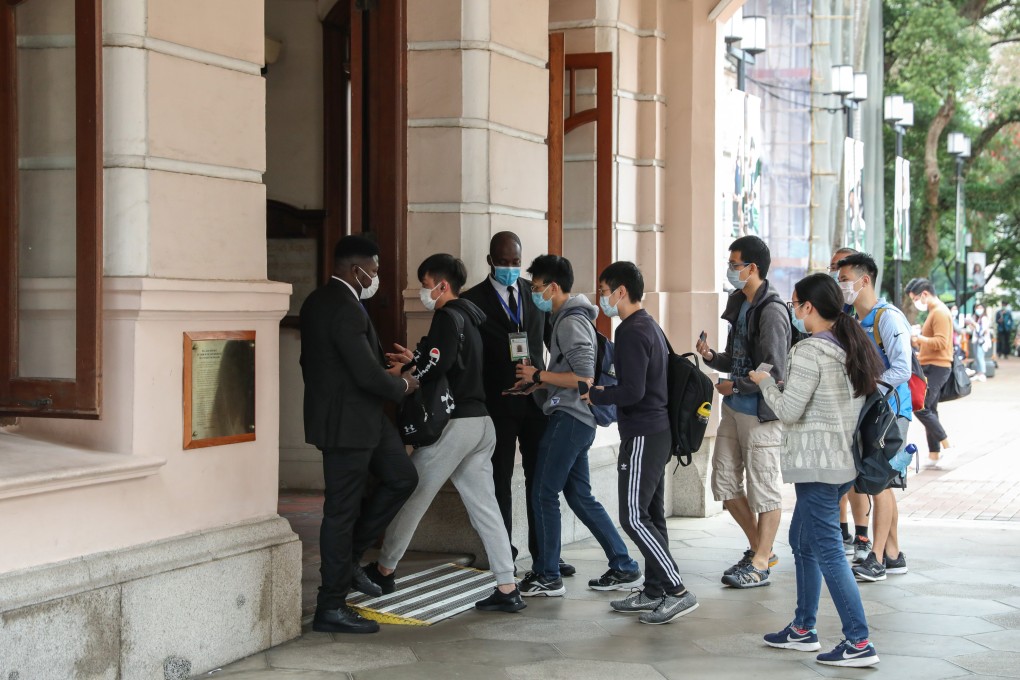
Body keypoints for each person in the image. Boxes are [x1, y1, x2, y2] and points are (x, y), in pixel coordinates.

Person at [364, 254, 525, 613]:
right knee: (486, 509)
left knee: (412, 493)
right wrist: (414, 361)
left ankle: (384, 569)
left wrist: (402, 375)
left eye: (425, 285)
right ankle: (507, 585)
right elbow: (446, 361)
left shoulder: (446, 316)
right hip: (481, 424)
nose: (424, 291)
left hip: (456, 425)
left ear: (442, 285)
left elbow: (438, 364)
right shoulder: (470, 316)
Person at [751, 273, 882, 668]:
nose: (793, 311)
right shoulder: (849, 345)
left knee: (827, 550)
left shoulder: (810, 351)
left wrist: (763, 382)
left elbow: (788, 411)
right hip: (839, 464)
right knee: (803, 540)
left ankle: (858, 642)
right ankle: (803, 628)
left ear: (809, 307)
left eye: (795, 304)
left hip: (817, 466)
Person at [299, 235, 421, 634]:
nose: (376, 277)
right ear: (357, 270)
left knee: (403, 477)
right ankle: (330, 606)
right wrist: (404, 387)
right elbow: (365, 373)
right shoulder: (343, 307)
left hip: (364, 419)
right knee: (340, 514)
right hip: (347, 426)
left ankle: (350, 560)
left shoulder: (319, 301)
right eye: (374, 269)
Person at [514, 254, 641, 597]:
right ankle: (623, 564)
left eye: (537, 287)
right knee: (579, 496)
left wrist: (540, 374)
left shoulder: (570, 321)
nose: (535, 293)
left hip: (570, 419)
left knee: (543, 492)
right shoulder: (567, 318)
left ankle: (547, 575)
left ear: (553, 287)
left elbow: (583, 377)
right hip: (575, 418)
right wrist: (538, 383)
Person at [584, 261, 699, 624]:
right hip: (658, 431)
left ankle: (677, 589)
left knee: (633, 516)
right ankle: (654, 590)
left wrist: (596, 394)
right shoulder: (649, 323)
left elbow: (632, 391)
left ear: (620, 292)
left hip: (643, 433)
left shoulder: (631, 331)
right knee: (652, 514)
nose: (601, 299)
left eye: (603, 292)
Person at [461, 232, 575, 578]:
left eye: (516, 263)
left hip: (535, 401)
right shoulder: (473, 301)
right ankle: (503, 554)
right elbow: (471, 358)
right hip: (498, 404)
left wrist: (551, 381)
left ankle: (545, 557)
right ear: (490, 261)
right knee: (499, 479)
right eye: (504, 262)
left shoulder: (533, 292)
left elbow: (551, 340)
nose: (511, 269)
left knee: (540, 480)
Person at [696, 235, 790, 587]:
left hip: (760, 412)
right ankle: (758, 549)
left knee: (764, 488)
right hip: (734, 409)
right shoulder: (742, 303)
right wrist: (710, 357)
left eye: (735, 265)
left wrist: (735, 386)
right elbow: (738, 360)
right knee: (723, 482)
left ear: (753, 268)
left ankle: (761, 563)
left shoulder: (772, 310)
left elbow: (774, 372)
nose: (730, 270)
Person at [837, 253, 913, 581]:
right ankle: (893, 554)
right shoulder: (856, 318)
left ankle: (877, 559)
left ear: (864, 280)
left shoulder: (888, 318)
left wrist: (868, 386)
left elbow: (902, 368)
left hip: (891, 412)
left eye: (844, 280)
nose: (841, 286)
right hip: (875, 411)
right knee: (884, 482)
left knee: (879, 483)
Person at [828, 247, 869, 558]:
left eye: (842, 273)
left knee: (856, 474)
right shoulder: (830, 309)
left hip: (858, 402)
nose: (836, 277)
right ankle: (839, 528)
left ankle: (863, 534)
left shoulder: (864, 312)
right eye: (834, 270)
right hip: (834, 403)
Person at [907, 279, 954, 467]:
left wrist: (919, 338)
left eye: (915, 298)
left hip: (937, 366)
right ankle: (934, 454)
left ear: (924, 294)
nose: (916, 303)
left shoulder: (940, 312)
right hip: (932, 365)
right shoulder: (935, 312)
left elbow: (941, 342)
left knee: (921, 405)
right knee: (930, 409)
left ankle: (947, 444)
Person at [968, 304, 990, 382]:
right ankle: (978, 373)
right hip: (976, 340)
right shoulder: (975, 317)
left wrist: (974, 325)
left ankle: (982, 373)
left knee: (980, 356)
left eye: (980, 308)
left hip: (982, 341)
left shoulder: (984, 318)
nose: (979, 309)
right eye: (977, 308)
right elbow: (972, 329)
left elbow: (981, 330)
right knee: (977, 356)